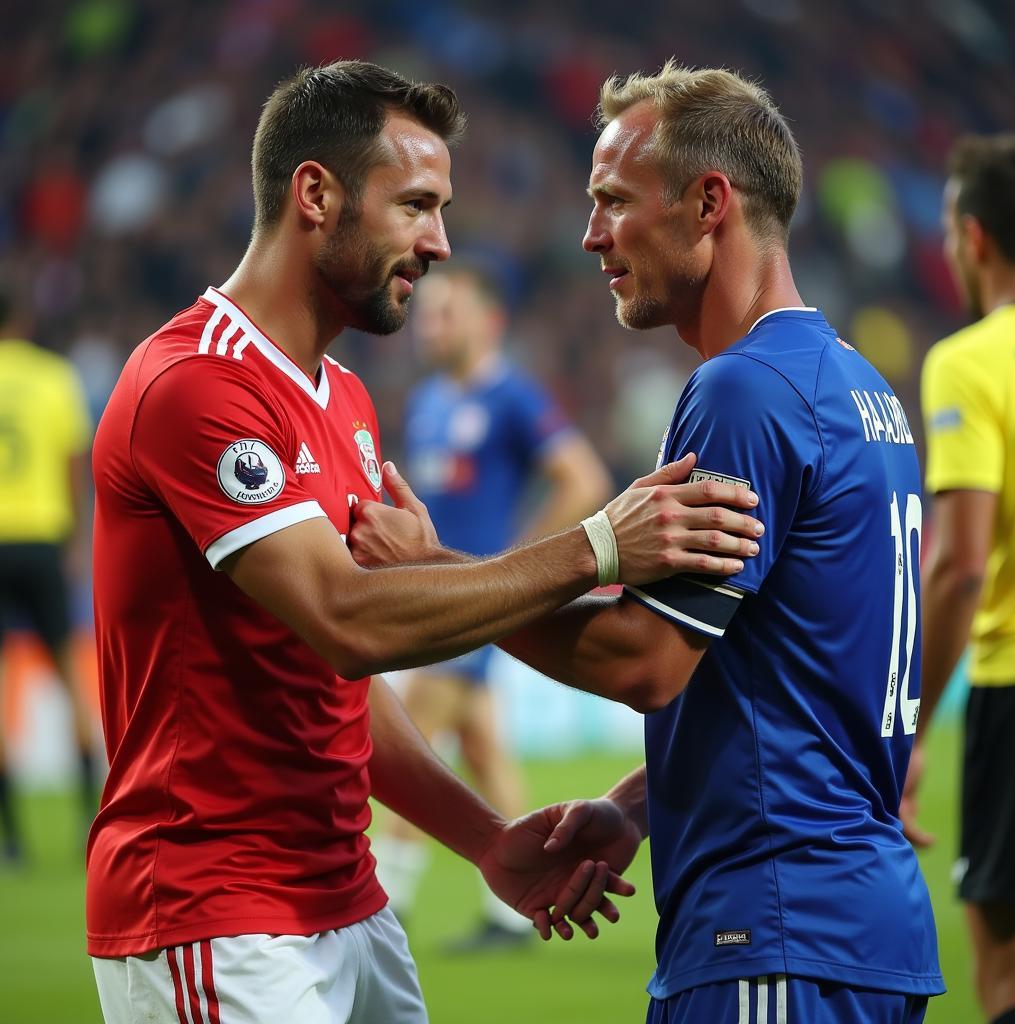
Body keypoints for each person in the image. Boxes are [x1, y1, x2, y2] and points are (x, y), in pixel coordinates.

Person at [86, 60, 766, 1024]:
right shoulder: (197, 383)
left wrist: (485, 840)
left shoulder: (345, 400)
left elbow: (336, 688)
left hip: (349, 904)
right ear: (314, 194)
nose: (440, 243)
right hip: (215, 911)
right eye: (415, 205)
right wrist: (597, 546)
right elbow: (347, 623)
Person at [349, 61, 945, 1023]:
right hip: (854, 927)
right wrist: (632, 809)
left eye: (614, 201)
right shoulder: (860, 388)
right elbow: (780, 670)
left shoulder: (744, 391)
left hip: (772, 930)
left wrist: (437, 574)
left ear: (710, 202)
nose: (591, 235)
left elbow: (645, 657)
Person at [374, 267, 612, 950]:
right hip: (435, 595)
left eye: (447, 313)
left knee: (410, 738)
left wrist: (515, 568)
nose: (431, 325)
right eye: (428, 314)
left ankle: (386, 899)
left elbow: (584, 479)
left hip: (474, 602)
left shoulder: (513, 397)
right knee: (482, 745)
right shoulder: (427, 402)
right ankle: (518, 908)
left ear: (489, 322)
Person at [900, 134, 1015, 1024]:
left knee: (1009, 973)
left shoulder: (969, 363)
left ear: (973, 238)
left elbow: (962, 565)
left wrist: (911, 723)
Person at [0, 283, 97, 862]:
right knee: (67, 673)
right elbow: (71, 464)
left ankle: (12, 838)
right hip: (41, 537)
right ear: (25, 313)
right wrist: (79, 539)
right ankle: (92, 818)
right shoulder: (54, 376)